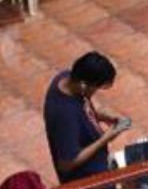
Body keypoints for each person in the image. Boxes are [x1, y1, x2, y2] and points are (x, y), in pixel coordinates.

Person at [44, 52, 127, 183]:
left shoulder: (67, 78)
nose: (95, 92)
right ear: (83, 85)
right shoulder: (64, 114)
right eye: (96, 88)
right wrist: (104, 139)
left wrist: (101, 116)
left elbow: (82, 107)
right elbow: (67, 164)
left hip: (99, 165)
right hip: (86, 179)